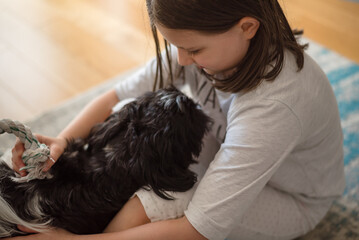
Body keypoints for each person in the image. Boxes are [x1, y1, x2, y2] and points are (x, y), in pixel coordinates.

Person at [8, 0, 345, 239]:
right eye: (175, 46)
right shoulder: (203, 47)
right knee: (133, 111)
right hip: (232, 143)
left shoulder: (275, 106)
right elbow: (115, 96)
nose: (182, 59)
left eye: (194, 50)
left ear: (247, 27)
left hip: (292, 200)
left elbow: (198, 229)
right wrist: (63, 142)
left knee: (164, 199)